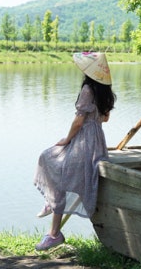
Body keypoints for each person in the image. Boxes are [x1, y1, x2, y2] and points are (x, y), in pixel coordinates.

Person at [33, 52, 116, 251]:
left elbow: (78, 121)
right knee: (62, 169)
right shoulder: (105, 92)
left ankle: (54, 230)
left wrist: (67, 139)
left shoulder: (88, 89)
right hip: (97, 142)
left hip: (83, 141)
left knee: (48, 158)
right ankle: (52, 205)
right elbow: (105, 119)